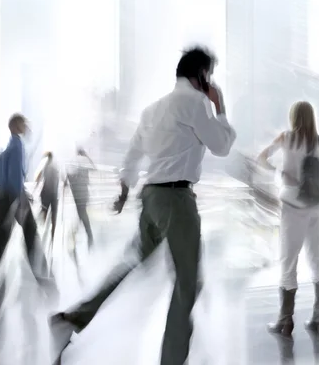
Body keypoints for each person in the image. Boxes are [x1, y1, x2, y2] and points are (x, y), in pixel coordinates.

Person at [49, 46, 236, 365]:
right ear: (202, 75)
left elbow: (134, 155)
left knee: (132, 260)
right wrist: (220, 108)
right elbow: (221, 146)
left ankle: (72, 319)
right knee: (188, 285)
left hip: (150, 197)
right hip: (177, 200)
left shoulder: (154, 109)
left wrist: (123, 193)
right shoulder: (196, 103)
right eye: (210, 74)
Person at [257, 101, 319, 336]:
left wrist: (281, 172)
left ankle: (285, 321)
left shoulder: (286, 138)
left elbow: (262, 158)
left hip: (292, 205)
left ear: (294, 117)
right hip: (314, 206)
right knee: (317, 256)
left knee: (289, 260)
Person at [0, 114, 57, 322]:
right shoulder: (17, 146)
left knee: (2, 237)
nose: (26, 126)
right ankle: (47, 284)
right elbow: (13, 179)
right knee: (31, 237)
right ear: (14, 126)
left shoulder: (7, 147)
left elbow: (2, 176)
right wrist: (18, 202)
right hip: (14, 198)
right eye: (23, 123)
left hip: (4, 197)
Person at [65, 147, 96, 249]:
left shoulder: (73, 160)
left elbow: (68, 174)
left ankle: (78, 235)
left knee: (81, 213)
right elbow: (94, 168)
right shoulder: (84, 160)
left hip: (76, 191)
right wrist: (87, 157)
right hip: (83, 191)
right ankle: (88, 236)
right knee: (82, 213)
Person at [35, 151, 60, 246]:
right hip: (54, 195)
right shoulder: (56, 167)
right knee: (54, 218)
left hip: (45, 193)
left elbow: (38, 178)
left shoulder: (45, 166)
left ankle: (45, 232)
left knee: (44, 212)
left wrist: (36, 187)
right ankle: (52, 238)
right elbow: (62, 179)